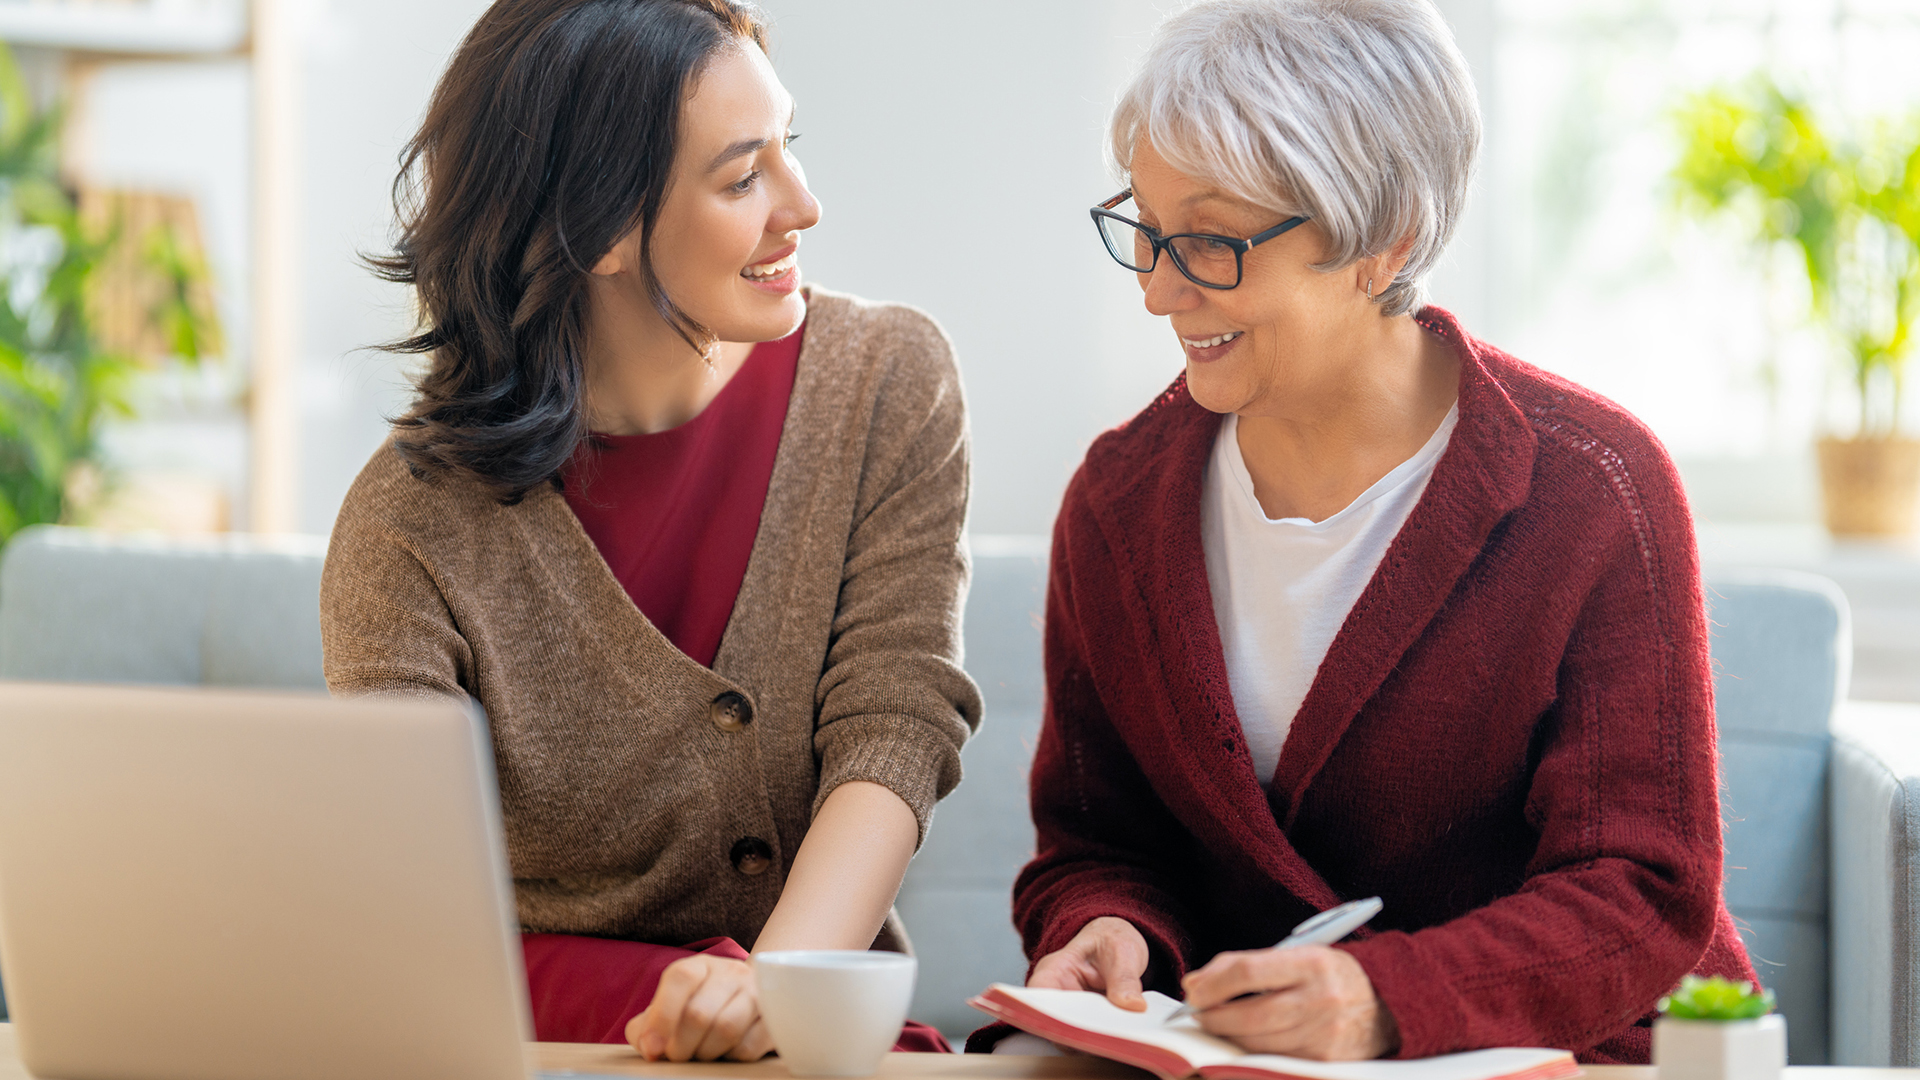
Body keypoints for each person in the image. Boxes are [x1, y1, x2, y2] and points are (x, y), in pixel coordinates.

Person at [972, 0, 1755, 1063]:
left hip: (1555, 1052)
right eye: (1146, 231)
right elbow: (1096, 846)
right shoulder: (1120, 502)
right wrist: (1105, 929)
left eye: (1206, 241)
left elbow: (1643, 891)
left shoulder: (1597, 487)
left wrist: (1384, 999)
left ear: (1381, 245)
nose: (1158, 290)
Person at [319, 0, 978, 1062]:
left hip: (808, 1042)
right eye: (740, 177)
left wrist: (776, 989)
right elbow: (413, 916)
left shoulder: (889, 384)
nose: (803, 206)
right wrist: (668, 992)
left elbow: (896, 724)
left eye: (788, 148)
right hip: (540, 1042)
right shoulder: (407, 528)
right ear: (600, 229)